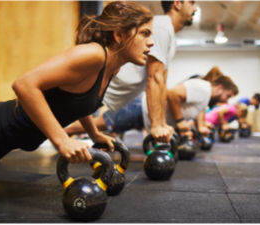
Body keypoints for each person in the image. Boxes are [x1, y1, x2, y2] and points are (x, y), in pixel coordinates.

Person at [0, 1, 154, 165]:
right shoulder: (93, 54)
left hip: (4, 142)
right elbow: (24, 84)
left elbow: (80, 101)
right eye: (145, 33)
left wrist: (94, 134)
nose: (151, 42)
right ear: (119, 35)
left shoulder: (112, 68)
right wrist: (62, 140)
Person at [67, 0, 198, 143]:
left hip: (110, 92)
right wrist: (155, 126)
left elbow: (162, 83)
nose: (195, 8)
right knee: (64, 116)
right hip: (110, 89)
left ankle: (62, 133)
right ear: (177, 4)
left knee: (72, 116)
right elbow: (154, 78)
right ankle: (63, 133)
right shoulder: (162, 28)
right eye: (191, 2)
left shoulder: (168, 34)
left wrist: (162, 124)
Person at [65, 73, 238, 140]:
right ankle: (61, 133)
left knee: (101, 125)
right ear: (220, 88)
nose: (226, 101)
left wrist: (195, 124)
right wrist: (179, 122)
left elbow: (194, 109)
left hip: (144, 115)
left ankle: (63, 133)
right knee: (100, 124)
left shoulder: (205, 94)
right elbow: (172, 94)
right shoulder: (203, 88)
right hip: (140, 109)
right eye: (227, 96)